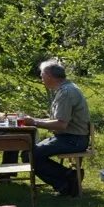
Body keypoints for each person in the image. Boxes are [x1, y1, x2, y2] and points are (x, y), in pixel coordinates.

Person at [19, 58, 90, 197]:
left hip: (73, 140)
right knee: (29, 153)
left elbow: (61, 124)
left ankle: (67, 182)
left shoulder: (66, 93)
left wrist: (34, 122)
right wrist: (34, 120)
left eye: (42, 75)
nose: (41, 78)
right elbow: (57, 121)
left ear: (50, 76)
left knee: (30, 155)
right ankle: (68, 179)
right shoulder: (66, 89)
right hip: (71, 137)